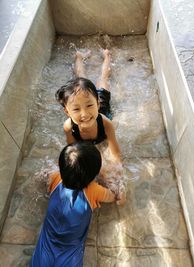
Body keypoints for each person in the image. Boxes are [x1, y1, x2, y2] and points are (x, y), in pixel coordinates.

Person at [55, 49, 126, 204]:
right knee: (80, 79)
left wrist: (118, 181)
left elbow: (116, 154)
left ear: (97, 103)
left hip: (103, 108)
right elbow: (73, 151)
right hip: (88, 97)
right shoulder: (69, 127)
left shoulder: (106, 124)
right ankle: (79, 56)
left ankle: (107, 55)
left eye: (89, 106)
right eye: (75, 109)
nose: (84, 114)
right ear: (67, 111)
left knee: (103, 79)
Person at [29, 142, 116, 267]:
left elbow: (43, 175)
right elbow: (114, 196)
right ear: (93, 175)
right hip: (70, 256)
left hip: (44, 252)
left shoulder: (55, 177)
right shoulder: (94, 190)